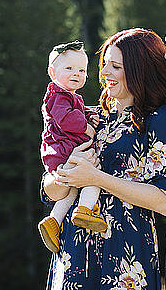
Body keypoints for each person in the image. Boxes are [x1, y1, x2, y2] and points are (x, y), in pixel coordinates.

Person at [41, 28, 166, 290]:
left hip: (125, 251)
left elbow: (165, 202)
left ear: (140, 70)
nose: (104, 73)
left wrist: (97, 178)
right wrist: (68, 168)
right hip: (74, 251)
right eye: (104, 64)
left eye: (115, 66)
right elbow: (49, 191)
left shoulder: (162, 119)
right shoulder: (91, 118)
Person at [38, 41, 106, 254]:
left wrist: (88, 115)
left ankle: (54, 222)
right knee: (93, 176)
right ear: (52, 72)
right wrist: (86, 127)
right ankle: (85, 210)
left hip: (61, 152)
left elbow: (76, 110)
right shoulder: (57, 96)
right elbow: (66, 118)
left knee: (71, 188)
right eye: (68, 68)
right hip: (63, 150)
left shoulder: (69, 96)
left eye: (82, 70)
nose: (76, 74)